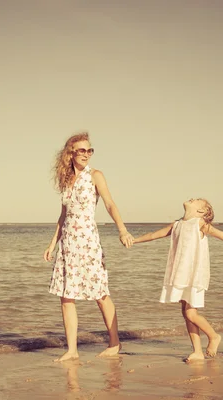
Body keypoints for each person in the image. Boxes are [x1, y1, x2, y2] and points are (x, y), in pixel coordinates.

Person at [43, 132, 134, 362]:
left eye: (89, 150)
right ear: (70, 154)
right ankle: (72, 350)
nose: (86, 154)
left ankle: (114, 343)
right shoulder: (66, 180)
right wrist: (53, 243)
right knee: (66, 296)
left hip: (88, 242)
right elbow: (63, 214)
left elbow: (110, 204)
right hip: (67, 244)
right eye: (81, 150)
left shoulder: (95, 176)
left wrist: (122, 229)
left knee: (100, 293)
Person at [133, 198, 223, 362]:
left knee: (190, 313)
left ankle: (214, 336)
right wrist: (134, 240)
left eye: (197, 200)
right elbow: (153, 235)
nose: (192, 198)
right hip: (181, 273)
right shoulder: (177, 224)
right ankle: (197, 352)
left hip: (194, 274)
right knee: (186, 313)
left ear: (202, 211)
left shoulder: (199, 223)